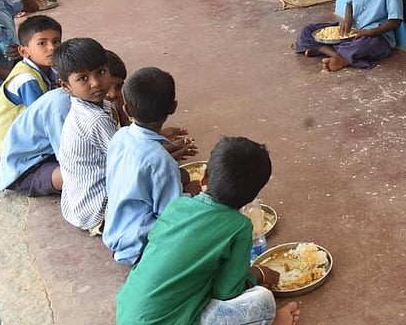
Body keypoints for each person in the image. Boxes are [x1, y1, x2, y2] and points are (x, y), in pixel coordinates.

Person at [116, 136, 300, 325]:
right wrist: (258, 273)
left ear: (203, 176)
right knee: (263, 300)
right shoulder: (239, 226)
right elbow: (226, 292)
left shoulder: (177, 205)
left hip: (127, 314)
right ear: (251, 198)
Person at [104, 67, 200, 264]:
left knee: (184, 180)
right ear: (173, 107)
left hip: (115, 231)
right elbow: (171, 218)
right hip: (138, 245)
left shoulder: (120, 137)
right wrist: (192, 196)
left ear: (127, 110)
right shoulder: (161, 162)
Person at [55, 38, 117, 233]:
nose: (96, 83)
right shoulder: (94, 120)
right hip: (97, 209)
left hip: (76, 205)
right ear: (66, 86)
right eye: (83, 78)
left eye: (101, 72)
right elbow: (130, 160)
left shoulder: (94, 107)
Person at [0, 15, 62, 155]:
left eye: (56, 41)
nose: (52, 48)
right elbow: (42, 120)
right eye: (42, 43)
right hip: (13, 147)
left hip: (28, 135)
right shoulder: (26, 78)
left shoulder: (51, 70)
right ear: (24, 51)